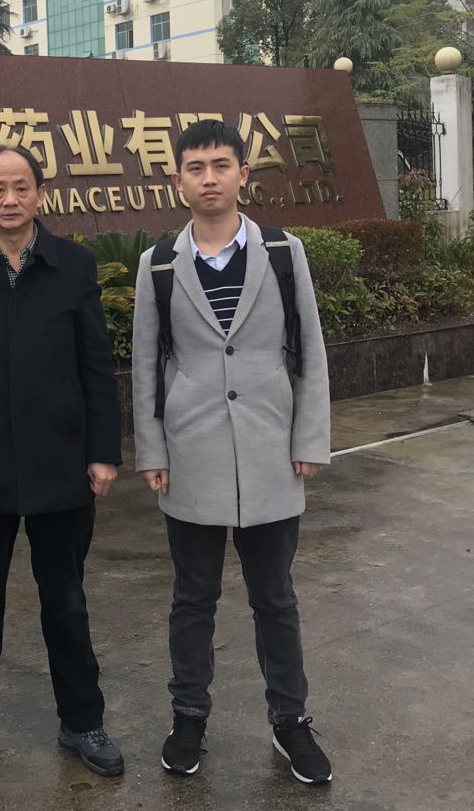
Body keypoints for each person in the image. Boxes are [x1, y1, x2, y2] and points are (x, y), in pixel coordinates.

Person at [131, 119, 334, 785]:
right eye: (196, 167)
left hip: (272, 449)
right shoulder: (160, 264)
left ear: (243, 174)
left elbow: (310, 348)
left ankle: (290, 721)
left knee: (275, 598)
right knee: (193, 599)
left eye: (221, 165)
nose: (209, 178)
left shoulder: (282, 252)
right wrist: (152, 450)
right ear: (178, 181)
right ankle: (188, 716)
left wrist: (309, 437)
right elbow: (145, 363)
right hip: (191, 454)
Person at [0, 145, 126, 782]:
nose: (10, 199)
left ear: (41, 194)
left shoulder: (73, 265)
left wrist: (103, 451)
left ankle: (83, 720)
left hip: (61, 463)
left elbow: (96, 366)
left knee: (66, 602)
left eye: (22, 187)